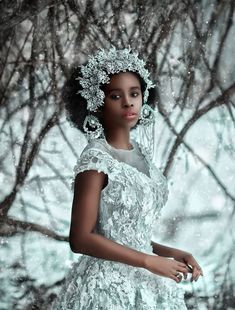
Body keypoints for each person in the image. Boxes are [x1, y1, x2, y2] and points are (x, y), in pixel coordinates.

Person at [51, 47, 203, 310]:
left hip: (149, 282)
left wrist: (169, 253)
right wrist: (147, 261)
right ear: (96, 103)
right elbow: (81, 238)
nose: (128, 102)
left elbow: (128, 234)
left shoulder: (141, 153)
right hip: (106, 288)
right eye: (115, 96)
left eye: (134, 93)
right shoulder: (96, 159)